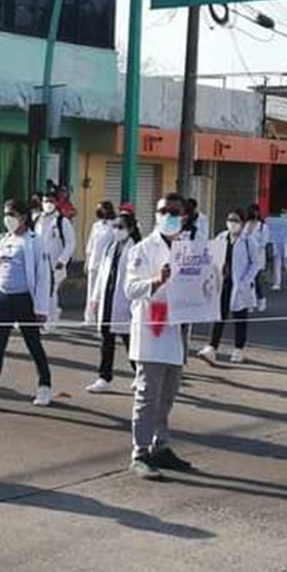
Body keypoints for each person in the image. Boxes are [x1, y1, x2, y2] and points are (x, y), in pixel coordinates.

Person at [125, 194, 196, 480]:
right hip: (152, 324)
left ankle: (161, 445)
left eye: (174, 212)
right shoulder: (142, 249)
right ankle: (140, 452)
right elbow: (130, 289)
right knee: (147, 395)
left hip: (176, 327)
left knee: (168, 394)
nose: (168, 215)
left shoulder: (190, 250)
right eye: (163, 211)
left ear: (185, 217)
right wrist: (157, 281)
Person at [0, 199, 54, 411]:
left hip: (25, 300)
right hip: (3, 299)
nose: (8, 218)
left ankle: (44, 385)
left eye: (12, 214)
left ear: (23, 218)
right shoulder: (2, 240)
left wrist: (41, 309)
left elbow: (43, 276)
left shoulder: (34, 241)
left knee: (33, 344)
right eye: (6, 214)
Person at [85, 212, 138, 393]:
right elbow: (102, 275)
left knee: (130, 341)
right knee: (106, 340)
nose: (116, 230)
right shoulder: (111, 247)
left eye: (121, 227)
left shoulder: (135, 250)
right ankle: (104, 377)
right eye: (114, 226)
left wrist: (134, 304)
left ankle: (140, 374)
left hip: (125, 302)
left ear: (130, 229)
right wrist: (95, 298)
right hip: (108, 300)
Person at [198, 208, 258, 364]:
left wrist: (245, 281)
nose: (232, 223)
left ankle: (238, 349)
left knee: (240, 317)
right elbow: (212, 255)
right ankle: (212, 347)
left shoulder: (248, 241)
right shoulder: (222, 237)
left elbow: (256, 263)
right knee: (219, 314)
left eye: (236, 220)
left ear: (243, 223)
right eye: (230, 220)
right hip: (223, 282)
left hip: (240, 284)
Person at [34, 192, 75, 330]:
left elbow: (70, 242)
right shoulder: (37, 219)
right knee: (41, 292)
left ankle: (50, 322)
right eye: (46, 201)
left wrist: (62, 260)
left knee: (51, 292)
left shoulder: (62, 221)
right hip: (39, 262)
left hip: (55, 263)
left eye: (51, 201)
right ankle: (43, 317)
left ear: (56, 203)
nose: (48, 204)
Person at [85, 201, 117, 303]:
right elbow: (91, 244)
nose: (98, 211)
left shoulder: (115, 225)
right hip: (94, 262)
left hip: (106, 263)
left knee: (102, 291)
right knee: (91, 291)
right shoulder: (96, 225)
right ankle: (89, 317)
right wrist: (87, 261)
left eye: (101, 208)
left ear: (108, 210)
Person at [270, 208, 287, 291]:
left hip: (286, 245)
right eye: (282, 213)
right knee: (277, 265)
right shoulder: (277, 223)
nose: (283, 215)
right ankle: (277, 283)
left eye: (284, 213)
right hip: (278, 245)